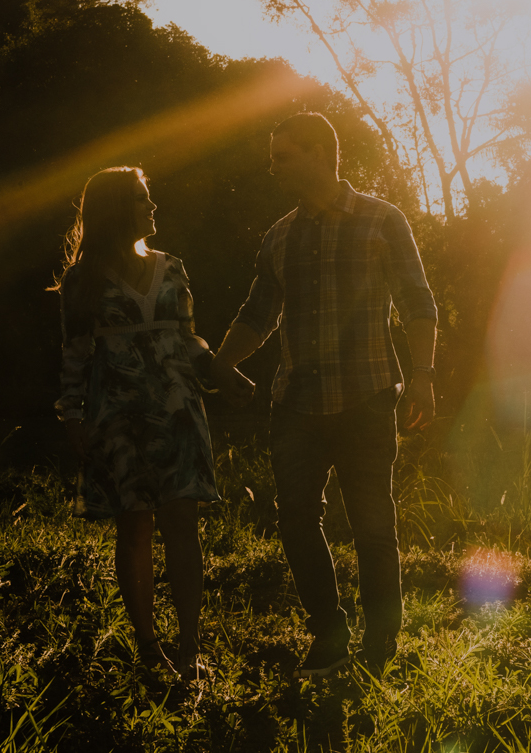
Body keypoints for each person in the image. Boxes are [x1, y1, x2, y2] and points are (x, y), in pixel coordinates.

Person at [210, 112, 437, 678]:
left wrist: (425, 376)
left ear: (318, 153)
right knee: (294, 521)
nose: (271, 166)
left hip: (366, 395)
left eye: (282, 155)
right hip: (295, 402)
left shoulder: (382, 219)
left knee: (372, 524)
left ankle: (380, 645)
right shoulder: (279, 234)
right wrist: (216, 365)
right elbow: (257, 314)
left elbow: (417, 301)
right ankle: (329, 635)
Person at [53, 167, 222, 683]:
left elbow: (189, 339)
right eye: (142, 199)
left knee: (182, 527)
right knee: (135, 529)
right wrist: (72, 414)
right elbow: (75, 352)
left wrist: (220, 371)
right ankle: (150, 652)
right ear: (114, 209)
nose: (152, 207)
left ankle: (190, 650)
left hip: (177, 410)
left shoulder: (173, 268)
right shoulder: (82, 281)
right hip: (119, 417)